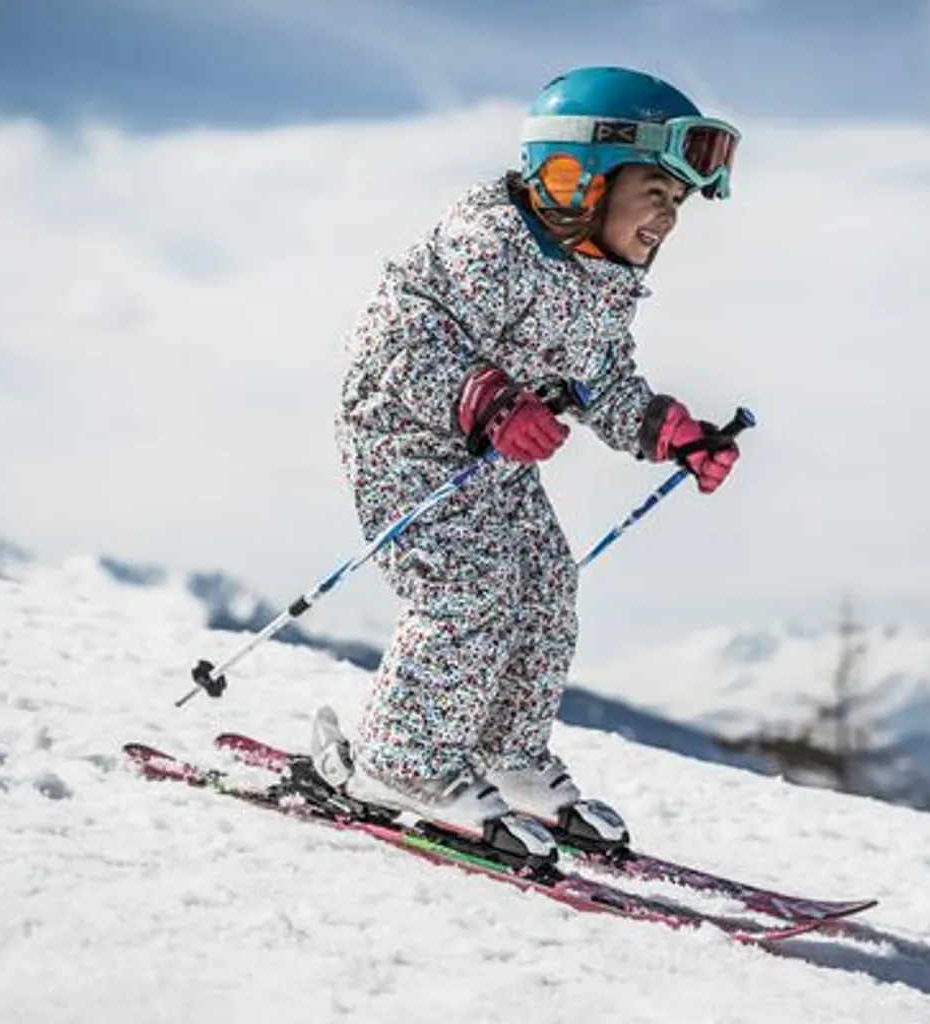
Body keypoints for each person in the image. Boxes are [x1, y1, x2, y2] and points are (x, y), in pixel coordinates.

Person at [309, 66, 745, 851]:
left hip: (494, 459)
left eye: (679, 203)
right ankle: (400, 758)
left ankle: (505, 757)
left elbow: (599, 379)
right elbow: (394, 337)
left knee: (545, 588)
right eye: (657, 191)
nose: (668, 220)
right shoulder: (491, 244)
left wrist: (669, 430)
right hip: (406, 445)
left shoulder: (602, 279)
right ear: (578, 176)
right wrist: (485, 399)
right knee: (470, 592)